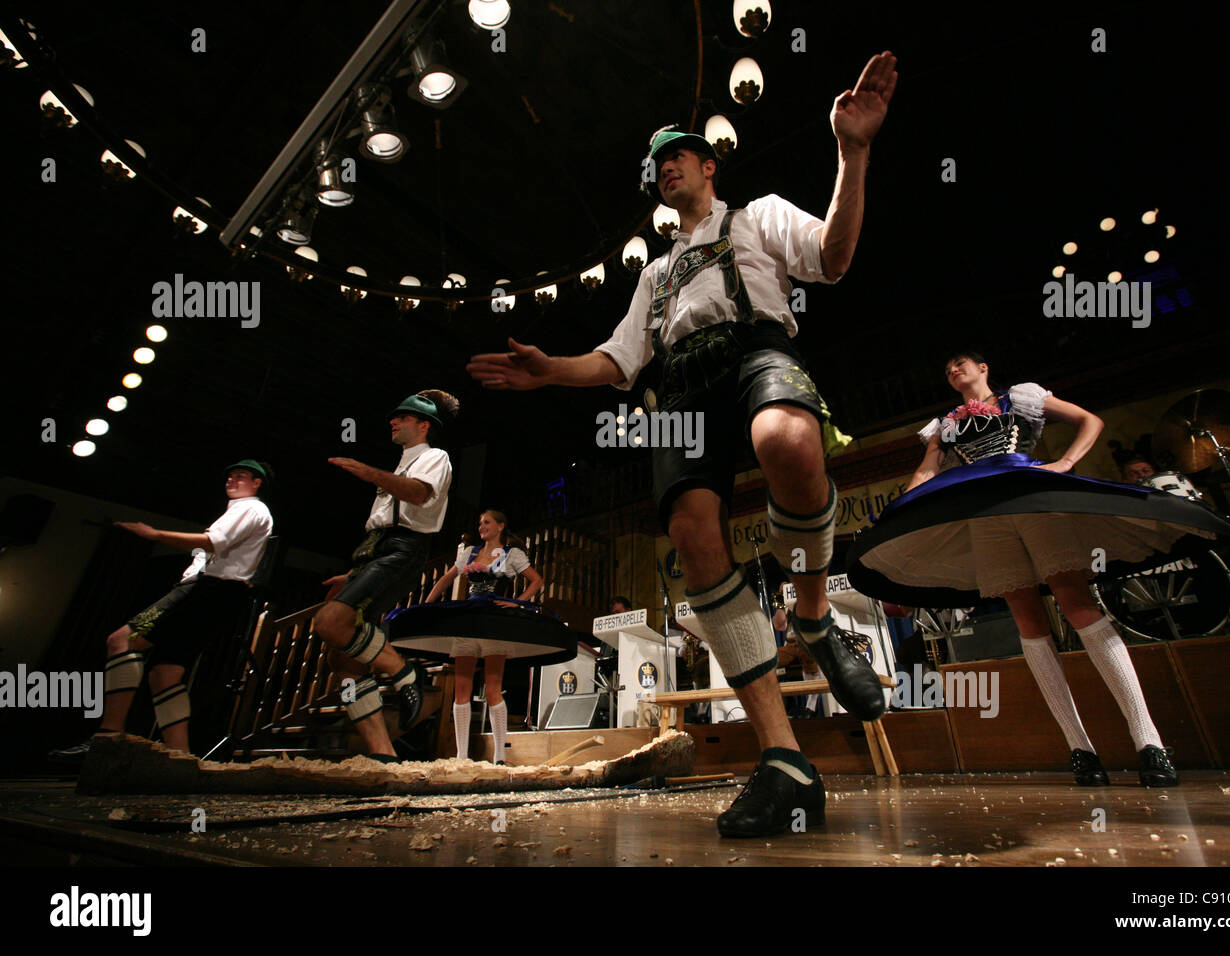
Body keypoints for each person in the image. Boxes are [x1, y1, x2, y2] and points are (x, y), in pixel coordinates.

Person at [468, 52, 899, 837]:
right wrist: (546, 372)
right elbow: (616, 362)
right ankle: (784, 759)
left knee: (789, 442)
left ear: (707, 165)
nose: (665, 169)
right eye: (656, 165)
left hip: (757, 349)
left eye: (678, 157)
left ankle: (810, 615)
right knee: (693, 535)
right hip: (682, 389)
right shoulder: (654, 276)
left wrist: (853, 152)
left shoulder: (758, 214)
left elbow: (834, 258)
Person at [848, 353, 1230, 787]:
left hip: (1030, 497)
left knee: (1076, 602)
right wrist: (900, 513)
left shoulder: (1019, 398)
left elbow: (1089, 421)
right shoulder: (943, 423)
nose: (953, 371)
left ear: (984, 368)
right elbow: (927, 469)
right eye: (947, 370)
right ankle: (1080, 748)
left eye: (961, 364)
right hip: (982, 513)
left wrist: (1066, 463)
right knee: (1026, 619)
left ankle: (1149, 741)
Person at [50, 460, 274, 758]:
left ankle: (108, 736)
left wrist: (154, 534)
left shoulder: (251, 509)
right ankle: (179, 756)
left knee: (121, 641)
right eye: (230, 476)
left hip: (211, 589)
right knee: (165, 674)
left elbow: (212, 542)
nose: (231, 480)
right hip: (218, 594)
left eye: (241, 477)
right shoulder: (244, 510)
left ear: (256, 483)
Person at [313, 390, 457, 761]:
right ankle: (383, 751)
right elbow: (383, 521)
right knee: (342, 662)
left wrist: (365, 471)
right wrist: (355, 573)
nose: (392, 422)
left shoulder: (434, 457)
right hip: (375, 550)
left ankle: (404, 671)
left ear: (424, 425)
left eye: (402, 417)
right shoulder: (401, 464)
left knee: (329, 622)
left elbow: (416, 494)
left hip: (403, 549)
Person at [421, 509, 543, 763]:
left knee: (493, 690)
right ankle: (462, 756)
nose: (481, 526)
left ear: (500, 526)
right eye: (479, 523)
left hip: (494, 623)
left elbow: (536, 581)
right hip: (469, 621)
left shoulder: (512, 555)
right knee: (462, 690)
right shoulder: (470, 552)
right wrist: (425, 607)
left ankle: (499, 757)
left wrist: (517, 602)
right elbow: (445, 579)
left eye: (486, 522)